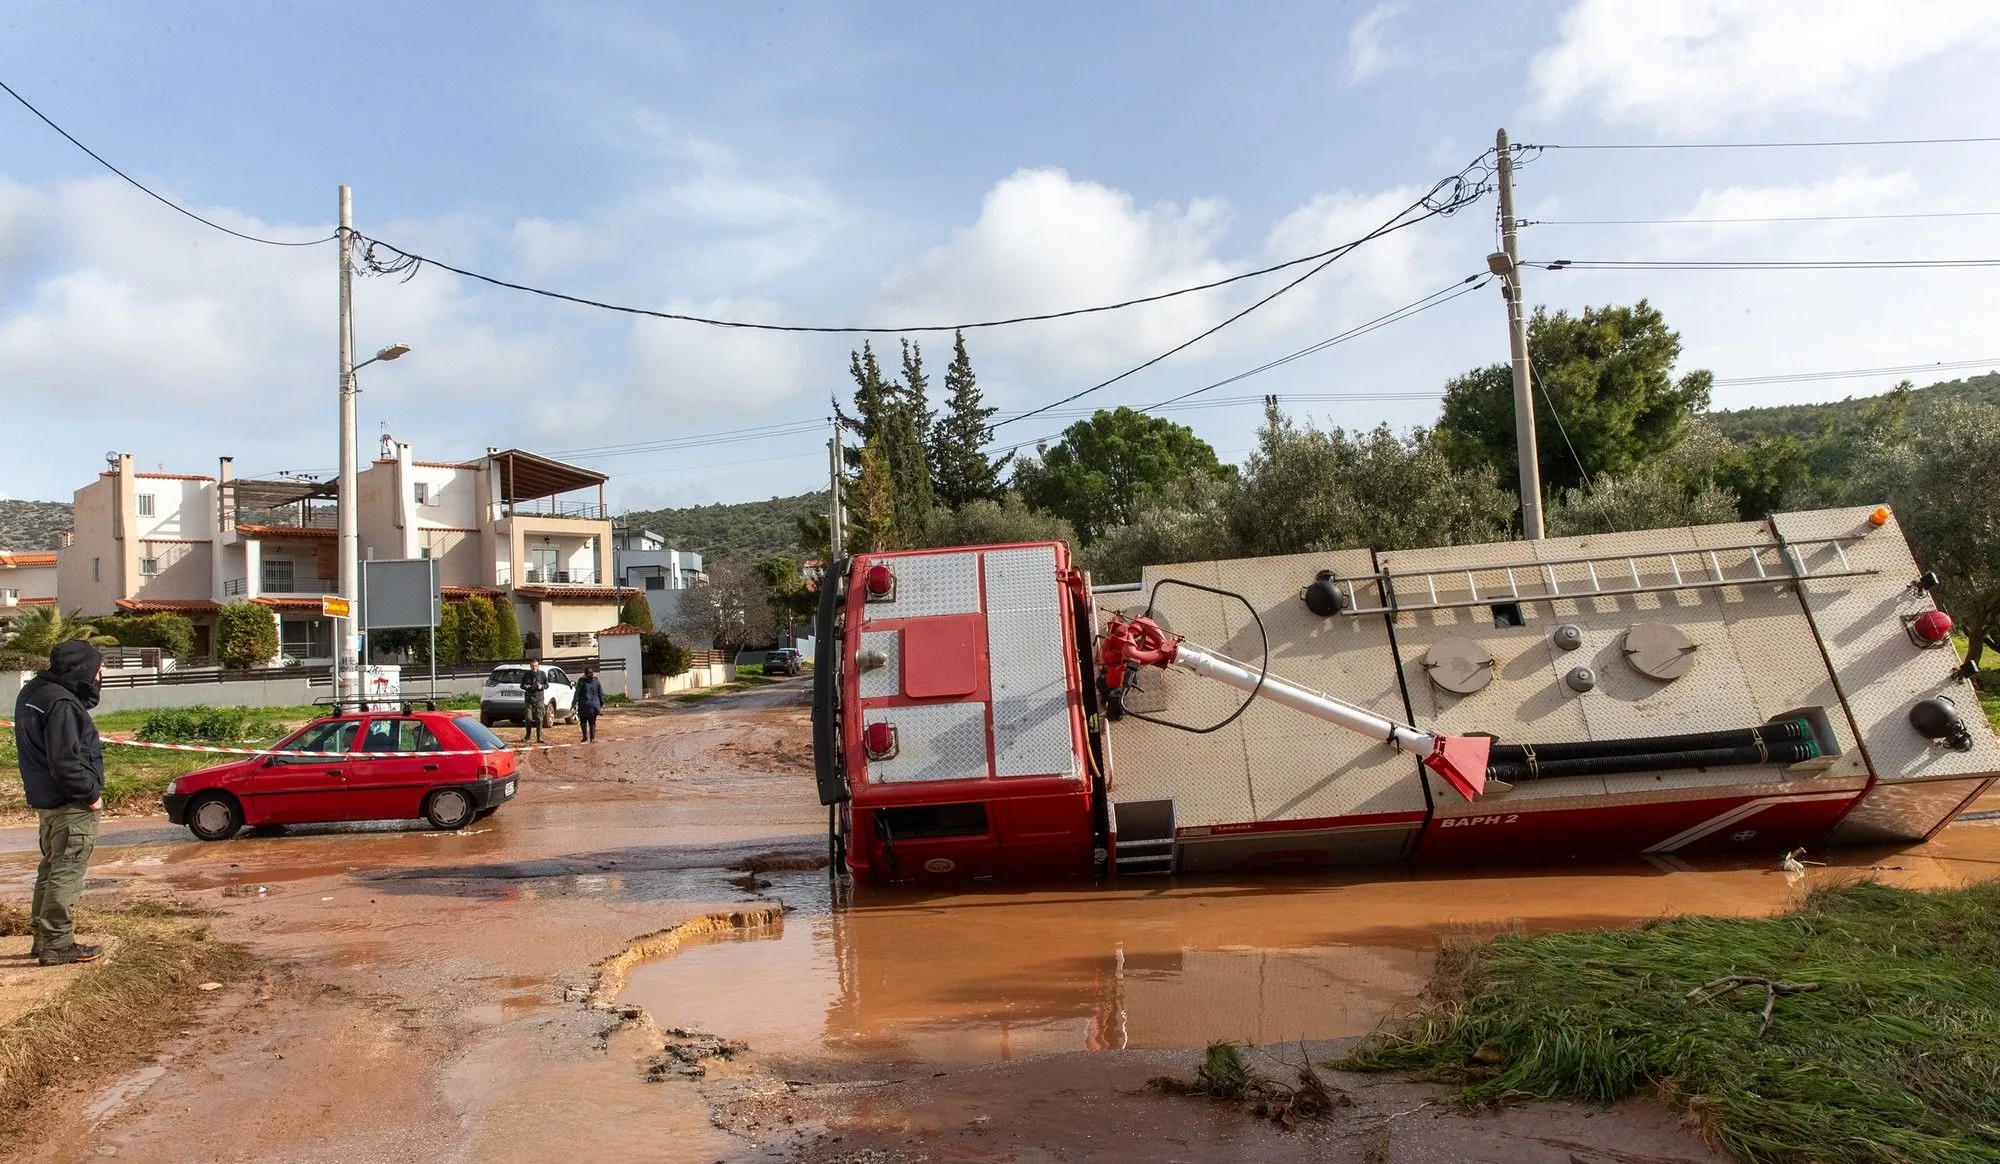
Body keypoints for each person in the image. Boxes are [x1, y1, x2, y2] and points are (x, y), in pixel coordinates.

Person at [13, 640, 106, 966]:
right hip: (70, 803)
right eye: (97, 670)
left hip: (47, 802)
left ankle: (43, 939)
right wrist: (91, 795)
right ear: (83, 668)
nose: (99, 677)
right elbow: (66, 762)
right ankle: (58, 943)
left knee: (50, 870)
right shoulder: (62, 704)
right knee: (66, 873)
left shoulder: (33, 693)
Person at [575, 665, 604, 743]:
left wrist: (574, 703)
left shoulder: (581, 681)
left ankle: (585, 737)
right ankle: (592, 738)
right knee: (592, 722)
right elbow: (601, 694)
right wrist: (601, 704)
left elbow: (577, 693)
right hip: (594, 706)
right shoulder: (596, 681)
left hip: (584, 705)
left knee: (583, 721)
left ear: (585, 673)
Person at [520, 664, 549, 744]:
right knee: (528, 718)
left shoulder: (542, 674)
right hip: (529, 699)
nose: (534, 667)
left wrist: (541, 686)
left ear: (538, 666)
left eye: (535, 665)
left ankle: (539, 738)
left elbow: (547, 685)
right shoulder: (526, 674)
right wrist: (525, 686)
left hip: (539, 699)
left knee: (539, 719)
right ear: (530, 666)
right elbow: (521, 685)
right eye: (532, 666)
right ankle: (527, 736)